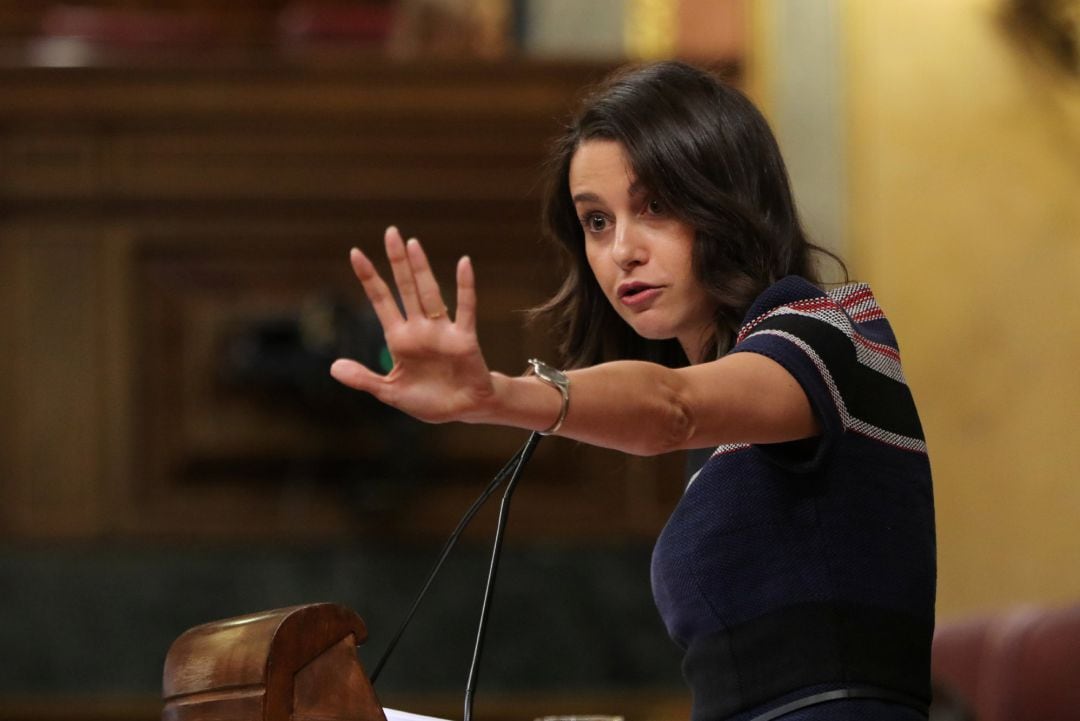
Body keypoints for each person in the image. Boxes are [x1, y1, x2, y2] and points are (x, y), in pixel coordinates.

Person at [330, 61, 936, 721]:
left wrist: (497, 396)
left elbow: (671, 407)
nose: (621, 250)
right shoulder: (729, 425)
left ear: (730, 197)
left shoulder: (825, 335)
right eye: (596, 221)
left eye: (654, 205)